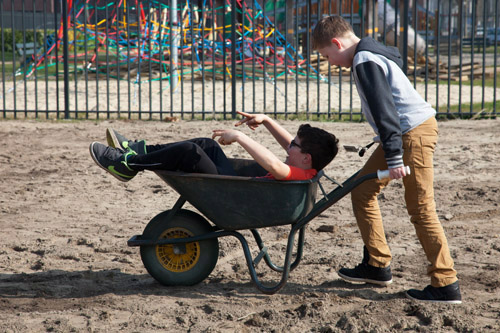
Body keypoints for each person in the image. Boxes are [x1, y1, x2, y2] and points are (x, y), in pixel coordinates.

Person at [312, 15, 461, 304]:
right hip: (401, 134)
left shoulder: (364, 60)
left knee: (421, 209)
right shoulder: (371, 53)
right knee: (362, 190)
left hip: (411, 134)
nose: (329, 61)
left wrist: (393, 158)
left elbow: (386, 112)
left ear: (336, 43)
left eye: (326, 55)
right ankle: (377, 266)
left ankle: (445, 283)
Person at [89, 111, 339, 182]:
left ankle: (127, 164)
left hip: (238, 197)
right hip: (239, 188)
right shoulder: (307, 165)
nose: (289, 147)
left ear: (306, 158)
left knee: (190, 153)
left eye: (295, 146)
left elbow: (274, 165)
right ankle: (139, 150)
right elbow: (289, 145)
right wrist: (267, 121)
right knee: (205, 144)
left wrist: (240, 137)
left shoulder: (297, 173)